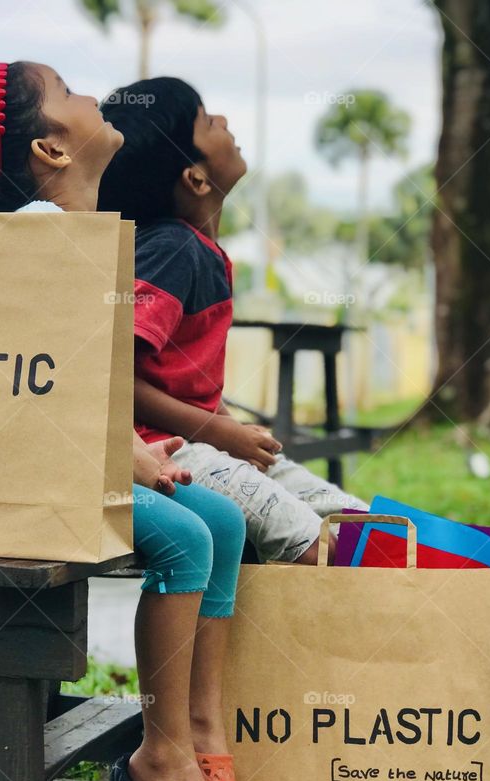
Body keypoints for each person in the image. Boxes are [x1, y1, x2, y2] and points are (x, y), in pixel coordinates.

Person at [0, 61, 246, 781]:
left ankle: (203, 730)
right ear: (52, 151)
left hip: (58, 464)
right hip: (13, 477)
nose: (93, 98)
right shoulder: (34, 241)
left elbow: (80, 379)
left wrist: (127, 441)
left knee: (222, 522)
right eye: (70, 93)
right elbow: (14, 395)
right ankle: (161, 755)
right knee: (189, 537)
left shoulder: (85, 234)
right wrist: (117, 450)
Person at [97, 77, 370, 566]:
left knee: (358, 522)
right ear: (196, 179)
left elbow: (177, 378)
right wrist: (216, 431)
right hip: (162, 451)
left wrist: (227, 423)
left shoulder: (196, 251)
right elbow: (111, 375)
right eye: (206, 121)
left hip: (199, 440)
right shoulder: (172, 251)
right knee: (313, 546)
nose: (222, 121)